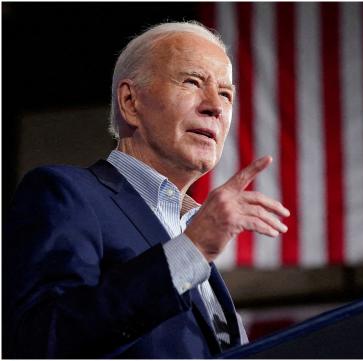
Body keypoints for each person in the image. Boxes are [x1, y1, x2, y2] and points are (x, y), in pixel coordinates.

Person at [3, 22, 290, 358]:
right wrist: (192, 249)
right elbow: (44, 341)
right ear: (130, 102)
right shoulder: (65, 194)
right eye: (192, 82)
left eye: (226, 94)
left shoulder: (188, 228)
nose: (215, 105)